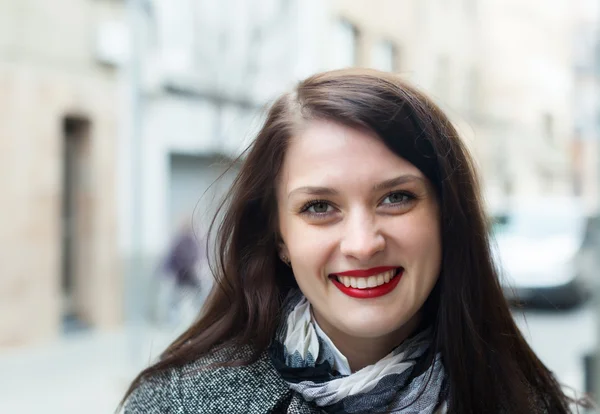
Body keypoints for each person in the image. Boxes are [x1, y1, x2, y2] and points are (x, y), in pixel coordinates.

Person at [121, 69, 587, 413]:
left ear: (447, 217)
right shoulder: (176, 404)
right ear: (279, 237)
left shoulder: (529, 402)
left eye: (397, 198)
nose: (363, 244)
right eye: (319, 207)